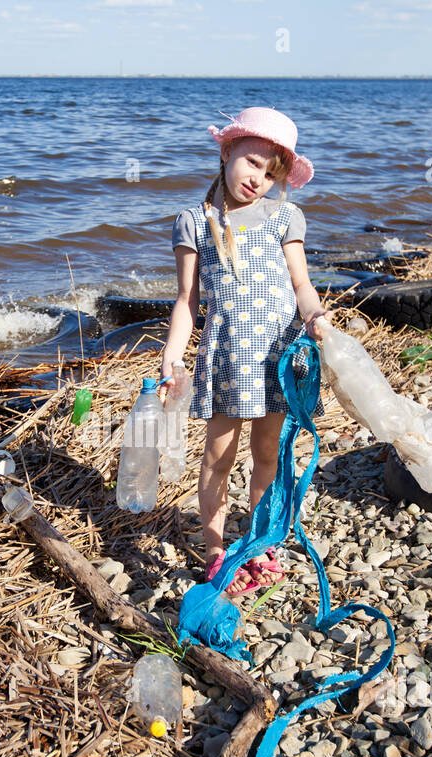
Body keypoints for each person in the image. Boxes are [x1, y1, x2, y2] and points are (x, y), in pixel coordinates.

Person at [161, 106, 327, 596]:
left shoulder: (284, 218)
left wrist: (316, 317)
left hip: (278, 356)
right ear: (228, 149)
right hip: (228, 357)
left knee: (267, 455)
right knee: (217, 456)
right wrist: (173, 356)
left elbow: (302, 283)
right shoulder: (194, 221)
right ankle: (215, 549)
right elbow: (187, 300)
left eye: (271, 172)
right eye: (253, 162)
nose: (259, 179)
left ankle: (257, 543)